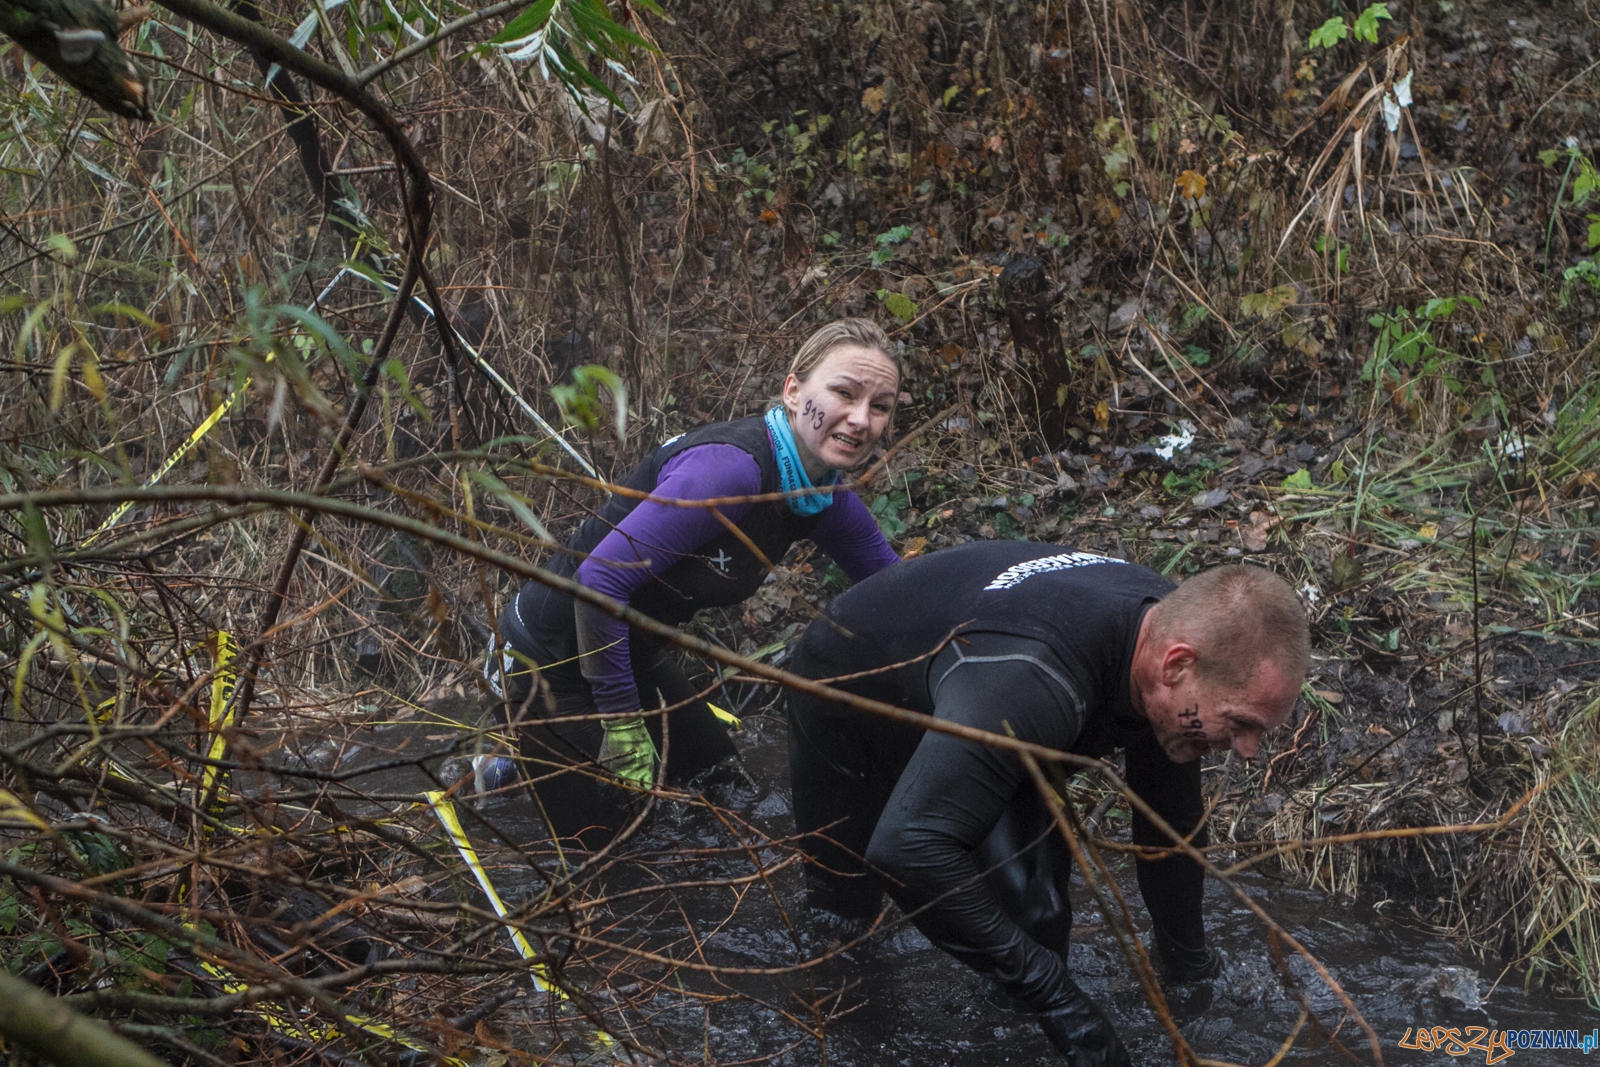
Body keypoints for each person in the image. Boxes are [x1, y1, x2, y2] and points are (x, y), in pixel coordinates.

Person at [785, 543, 1309, 1066]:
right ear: (1176, 665)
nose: (1247, 751)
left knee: (1039, 914)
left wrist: (1191, 976)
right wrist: (1063, 1006)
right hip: (850, 692)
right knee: (845, 923)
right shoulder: (1032, 677)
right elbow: (905, 848)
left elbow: (1169, 830)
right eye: (1240, 723)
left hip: (987, 695)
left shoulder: (1174, 645)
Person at [486, 318, 905, 849]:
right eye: (844, 393)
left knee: (724, 793)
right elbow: (598, 579)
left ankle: (523, 764)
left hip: (631, 651)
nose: (861, 419)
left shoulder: (818, 496)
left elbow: (902, 591)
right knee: (614, 853)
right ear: (794, 392)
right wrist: (622, 724)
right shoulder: (730, 472)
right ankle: (507, 767)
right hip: (548, 658)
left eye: (880, 406)